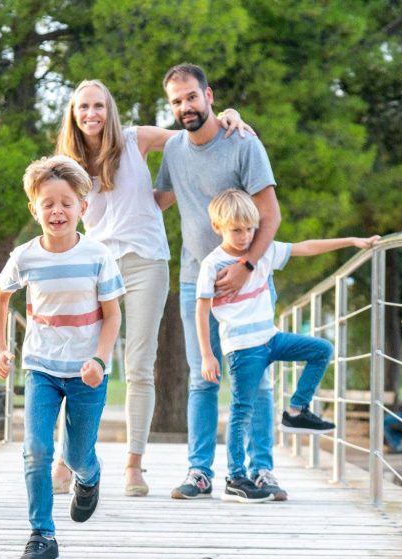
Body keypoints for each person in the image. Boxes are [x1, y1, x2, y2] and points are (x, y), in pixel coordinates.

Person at [52, 80, 253, 497]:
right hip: (95, 265)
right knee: (78, 363)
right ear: (73, 114)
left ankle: (133, 465)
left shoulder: (135, 139)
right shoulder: (66, 162)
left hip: (146, 261)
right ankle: (64, 460)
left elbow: (195, 138)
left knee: (140, 363)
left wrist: (227, 114)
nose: (92, 114)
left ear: (110, 110)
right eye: (83, 107)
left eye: (99, 106)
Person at [153, 63, 283, 500]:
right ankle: (200, 471)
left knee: (257, 382)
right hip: (197, 282)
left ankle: (262, 470)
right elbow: (159, 201)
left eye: (191, 96)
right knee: (202, 377)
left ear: (209, 96)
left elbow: (271, 216)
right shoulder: (173, 149)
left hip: (248, 282)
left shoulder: (243, 142)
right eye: (176, 101)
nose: (185, 106)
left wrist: (245, 267)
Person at [197, 189, 379, 501]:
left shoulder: (262, 252)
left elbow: (305, 248)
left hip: (271, 337)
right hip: (242, 348)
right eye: (236, 230)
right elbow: (201, 310)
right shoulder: (213, 264)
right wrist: (207, 355)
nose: (244, 237)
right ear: (219, 228)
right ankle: (236, 476)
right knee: (243, 409)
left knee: (321, 349)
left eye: (250, 229)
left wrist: (351, 241)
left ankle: (296, 410)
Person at [0, 155, 124, 559]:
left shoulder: (98, 255)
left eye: (66, 202)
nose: (57, 211)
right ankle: (42, 535)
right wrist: (0, 347)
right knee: (36, 450)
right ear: (34, 210)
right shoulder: (25, 257)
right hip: (41, 368)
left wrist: (99, 360)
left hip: (88, 370)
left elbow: (113, 314)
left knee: (77, 455)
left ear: (83, 208)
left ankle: (89, 477)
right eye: (47, 203)